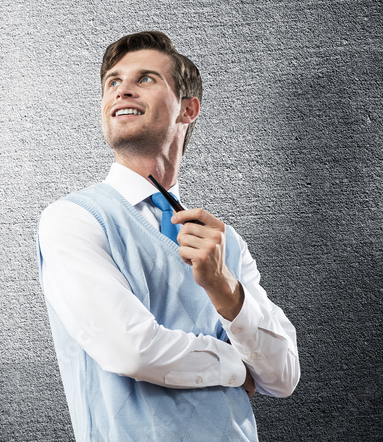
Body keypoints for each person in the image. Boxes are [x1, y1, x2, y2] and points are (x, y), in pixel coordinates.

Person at [37, 31, 299, 441]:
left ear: (188, 109)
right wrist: (235, 365)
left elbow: (282, 375)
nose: (122, 89)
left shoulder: (223, 243)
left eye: (145, 79)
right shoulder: (73, 220)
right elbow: (132, 350)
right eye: (112, 81)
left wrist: (226, 289)